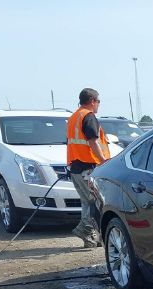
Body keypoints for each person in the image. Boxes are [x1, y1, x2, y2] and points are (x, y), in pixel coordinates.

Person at [67, 88, 110, 247]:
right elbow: (93, 142)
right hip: (88, 168)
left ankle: (92, 239)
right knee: (94, 203)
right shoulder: (88, 116)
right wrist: (104, 161)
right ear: (92, 101)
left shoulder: (74, 117)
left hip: (76, 168)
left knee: (87, 202)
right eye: (98, 101)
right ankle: (85, 231)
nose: (99, 105)